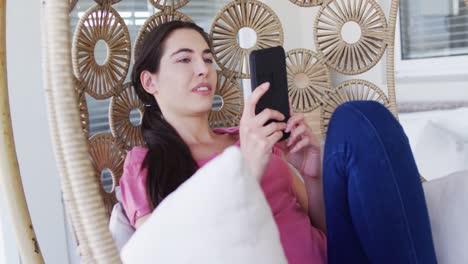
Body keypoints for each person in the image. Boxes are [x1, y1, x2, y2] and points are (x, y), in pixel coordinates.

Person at [119, 21, 438, 264]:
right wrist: (247, 171)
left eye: (208, 59)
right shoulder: (146, 164)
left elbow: (322, 228)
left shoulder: (250, 136)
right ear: (150, 81)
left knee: (358, 116)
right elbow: (168, 255)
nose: (204, 69)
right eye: (184, 60)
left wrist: (311, 175)